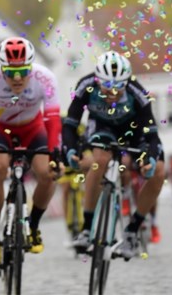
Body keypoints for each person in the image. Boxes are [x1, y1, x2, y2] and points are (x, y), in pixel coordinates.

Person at [64, 50, 165, 260]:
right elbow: (71, 124)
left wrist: (150, 159)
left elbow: (152, 135)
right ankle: (87, 227)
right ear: (97, 80)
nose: (113, 91)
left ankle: (132, 231)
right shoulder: (86, 85)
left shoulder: (138, 92)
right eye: (107, 86)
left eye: (119, 86)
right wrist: (71, 149)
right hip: (102, 126)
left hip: (134, 130)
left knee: (159, 172)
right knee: (99, 160)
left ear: (127, 81)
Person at [0, 37, 62, 267]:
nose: (18, 78)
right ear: (1, 68)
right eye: (10, 73)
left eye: (23, 71)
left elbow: (53, 120)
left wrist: (55, 155)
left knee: (48, 172)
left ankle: (32, 227)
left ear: (31, 67)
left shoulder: (45, 78)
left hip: (33, 129)